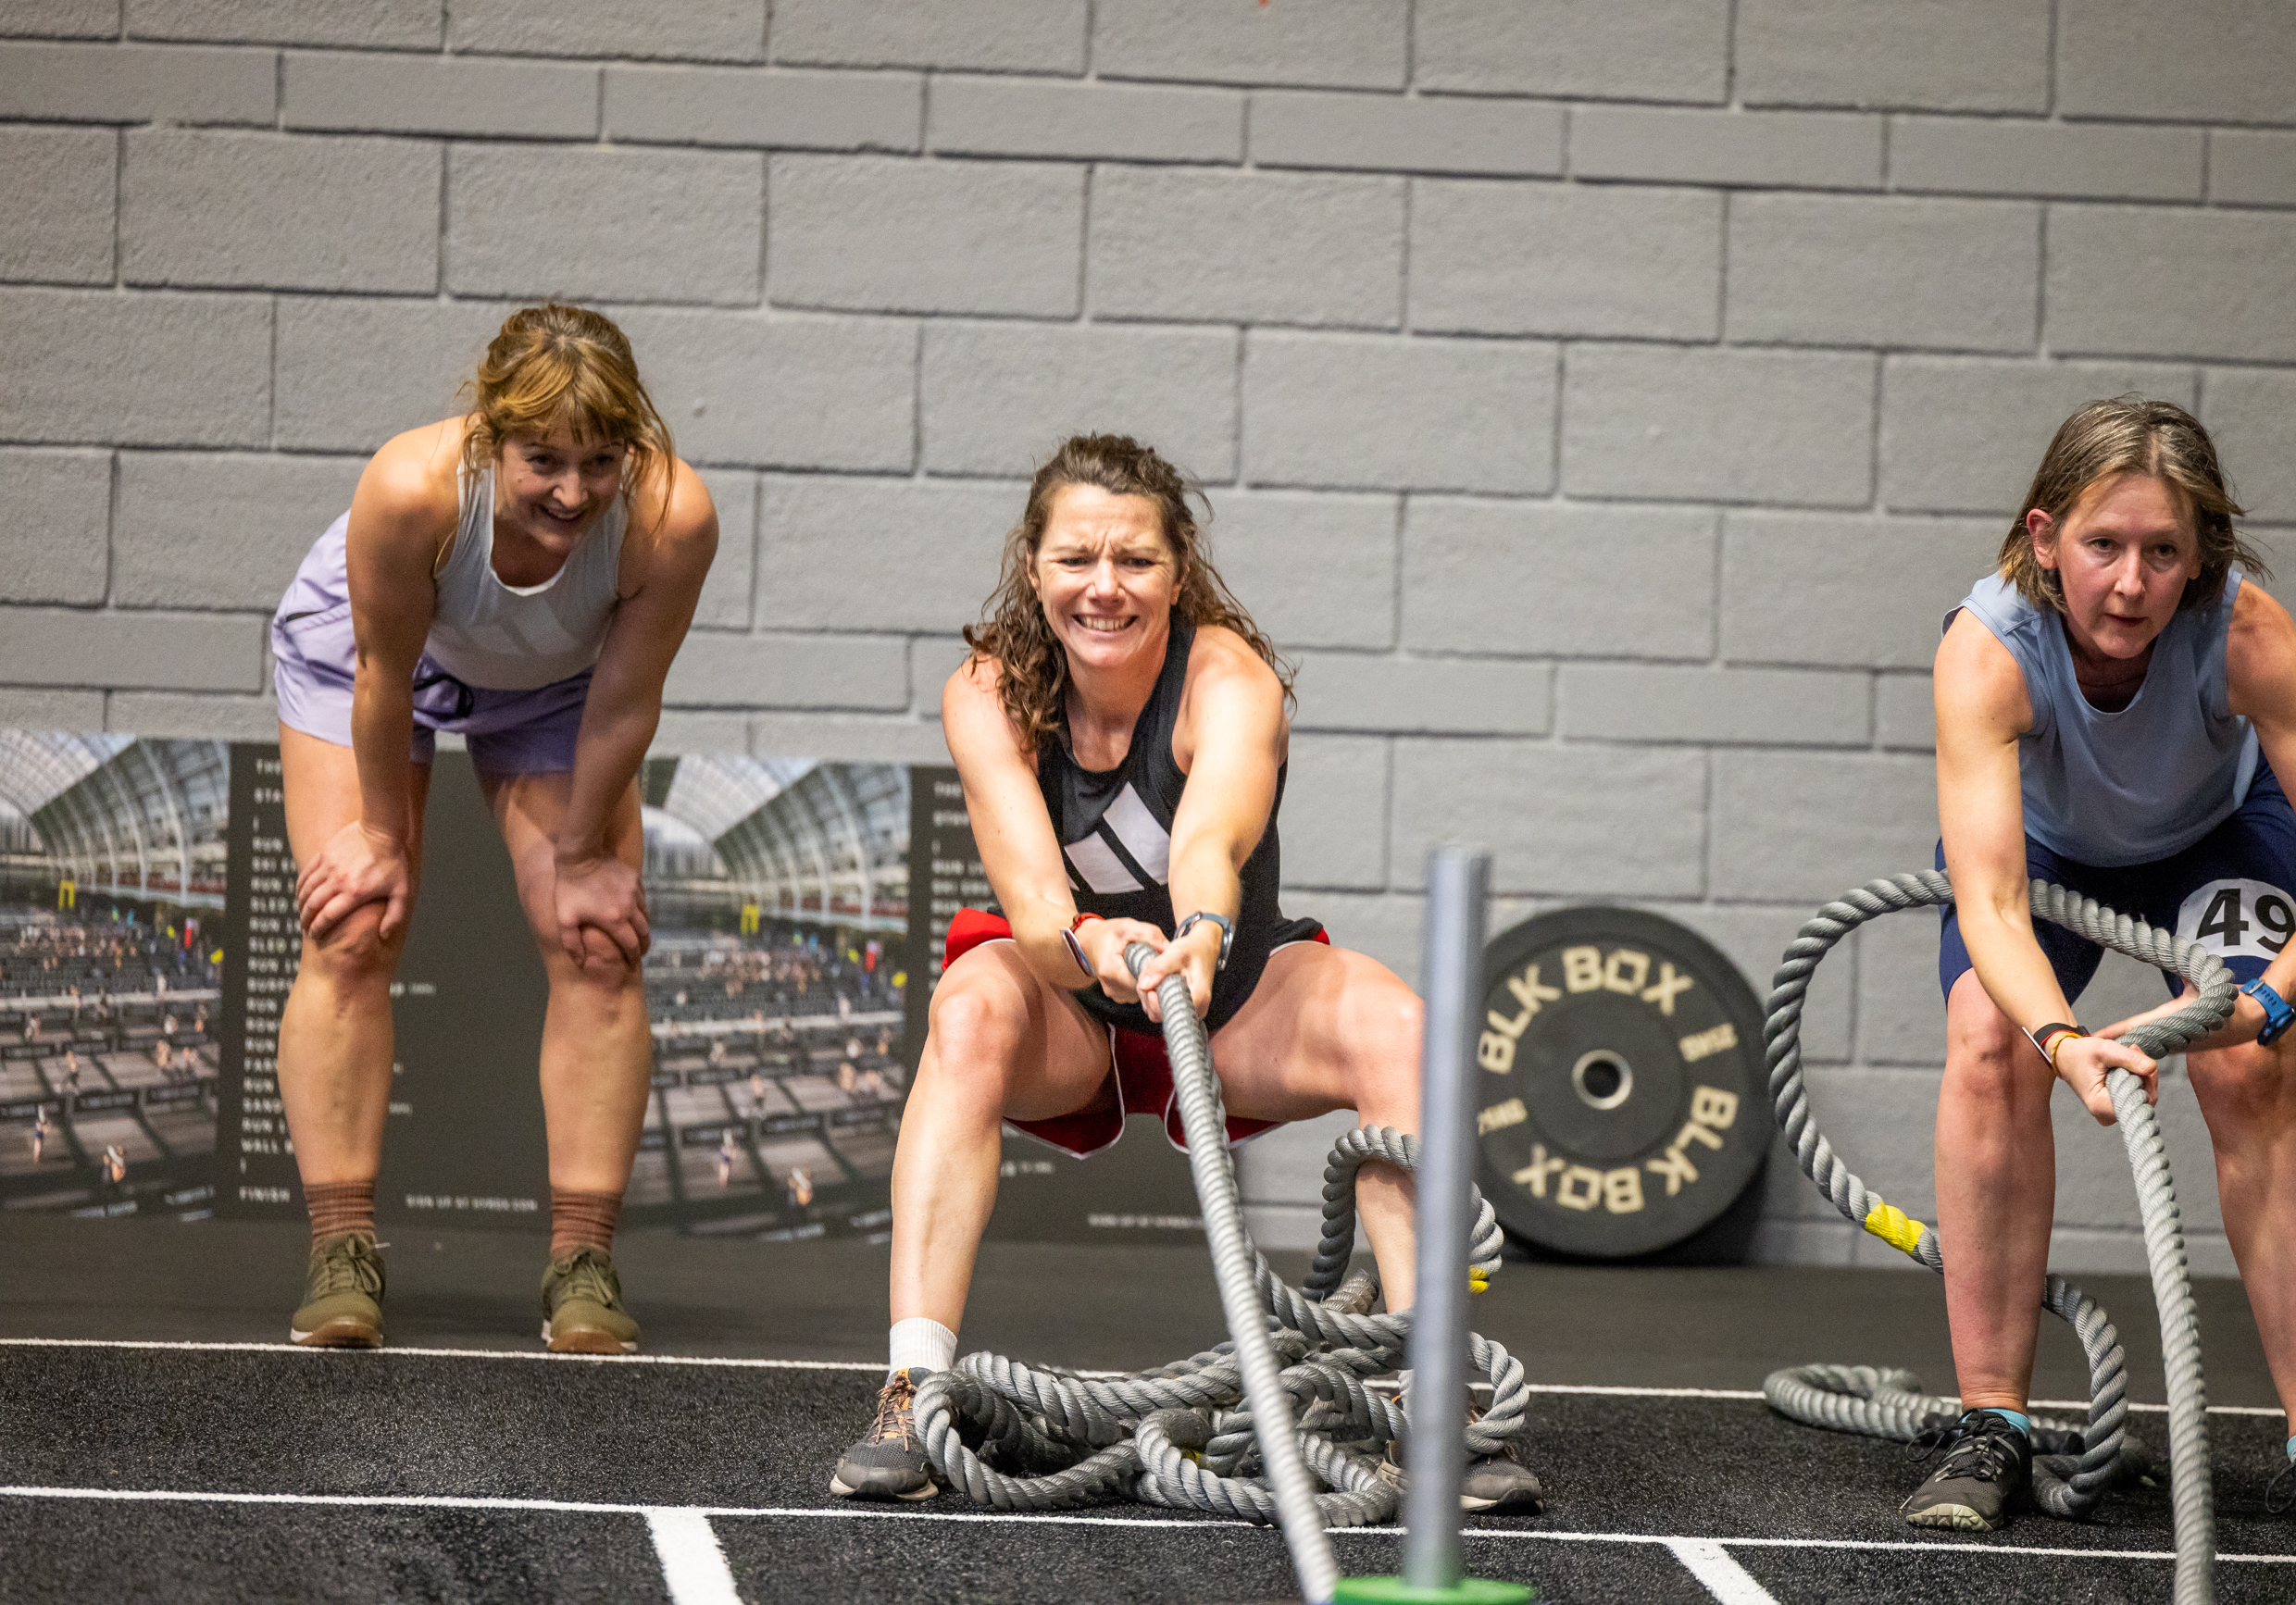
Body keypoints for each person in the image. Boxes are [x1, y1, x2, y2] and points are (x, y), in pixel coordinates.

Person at [828, 434, 1542, 1512]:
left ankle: (1432, 1402)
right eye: (1074, 560)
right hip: (1071, 998)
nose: (1102, 588)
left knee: (1400, 1028)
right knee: (967, 1010)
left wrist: (1198, 933)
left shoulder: (1228, 679)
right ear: (1032, 567)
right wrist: (1089, 945)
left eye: (1134, 562)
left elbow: (1209, 837)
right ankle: (911, 1391)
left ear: (1177, 572)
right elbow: (1028, 893)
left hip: (1231, 993)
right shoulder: (986, 693)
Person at [1916, 398, 2296, 1553]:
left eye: (2161, 552)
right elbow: (1987, 899)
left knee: (2252, 1068)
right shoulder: (1985, 649)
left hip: (2213, 839)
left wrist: (2270, 1000)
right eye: (2101, 546)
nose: (2129, 583)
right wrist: (2057, 1039)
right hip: (2043, 853)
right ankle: (1992, 1424)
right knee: (1987, 1043)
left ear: (2199, 558)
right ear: (2043, 539)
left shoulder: (2241, 634)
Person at [270, 303, 717, 1354]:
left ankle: (583, 1260)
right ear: (487, 435)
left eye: (600, 461)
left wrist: (578, 857)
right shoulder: (412, 488)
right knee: (357, 921)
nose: (571, 492)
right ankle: (341, 1251)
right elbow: (384, 681)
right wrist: (380, 838)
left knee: (595, 939)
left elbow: (624, 701)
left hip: (557, 689)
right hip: (371, 660)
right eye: (543, 460)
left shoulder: (670, 517)